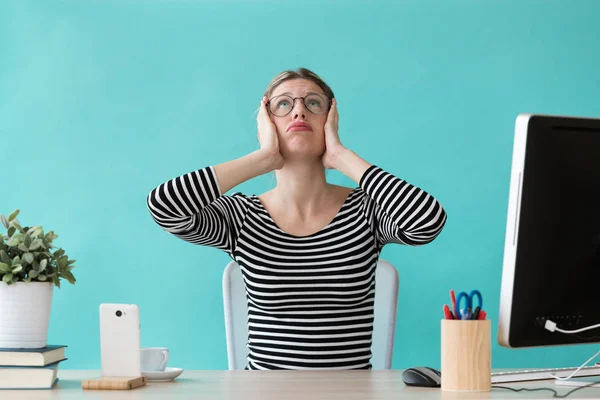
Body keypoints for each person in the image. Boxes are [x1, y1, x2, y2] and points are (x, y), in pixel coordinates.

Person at [147, 67, 447, 370]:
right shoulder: (241, 216)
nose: (299, 112)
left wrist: (341, 156)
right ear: (265, 125)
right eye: (283, 104)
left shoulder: (366, 211)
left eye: (314, 103)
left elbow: (427, 222)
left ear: (331, 121)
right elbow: (165, 207)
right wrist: (262, 158)